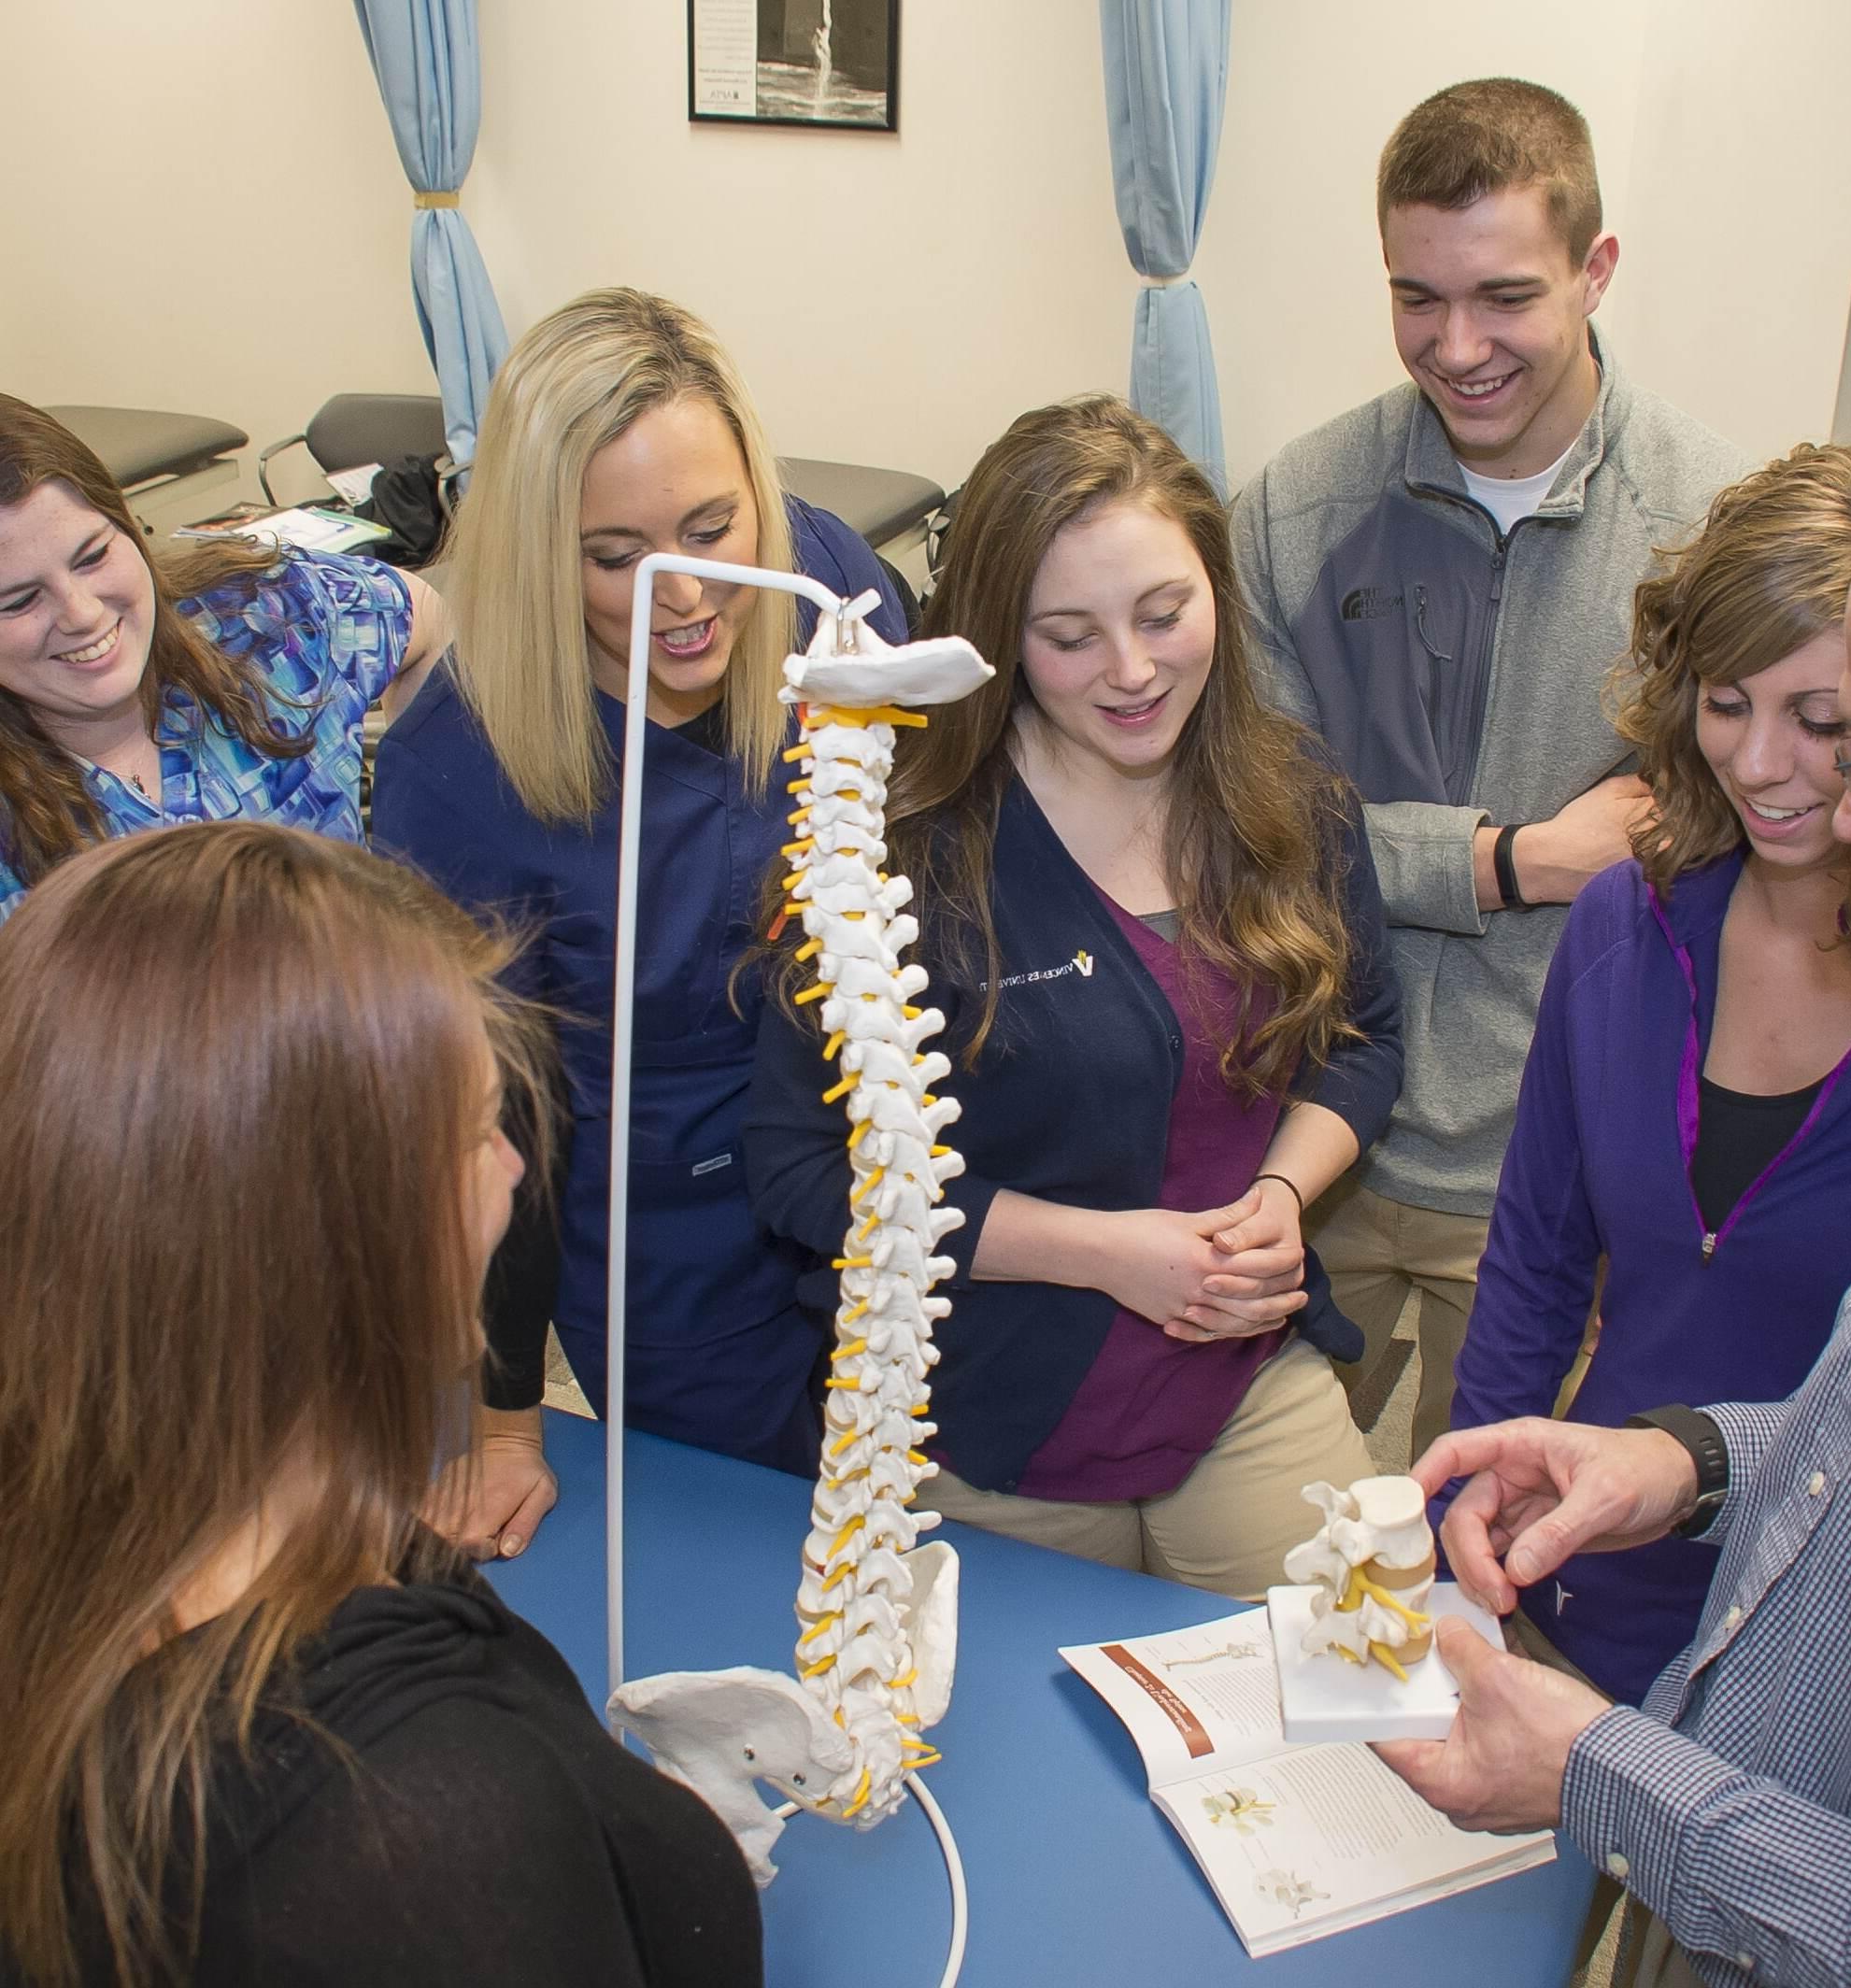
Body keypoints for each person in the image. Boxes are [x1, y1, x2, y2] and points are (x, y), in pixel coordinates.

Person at [1376, 440, 1851, 1988]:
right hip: (1606, 1585)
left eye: (1843, 732)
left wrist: (1610, 1771)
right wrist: (1542, 1514)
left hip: (1808, 1731)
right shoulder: (1629, 925)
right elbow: (1535, 1260)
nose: (1791, 779)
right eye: (1728, 705)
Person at [0, 822, 761, 1988]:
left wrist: (604, 1818)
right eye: (471, 1135)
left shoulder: (102, 1538)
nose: (513, 1169)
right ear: (334, 1246)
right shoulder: (418, 1838)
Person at [748, 395, 1402, 1598]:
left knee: (1350, 1693)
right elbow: (805, 1171)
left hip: (1236, 1366)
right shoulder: (892, 856)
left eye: (1166, 613)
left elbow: (1363, 1040)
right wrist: (1100, 1254)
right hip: (993, 1403)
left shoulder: (1289, 796)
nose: (1135, 670)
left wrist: (1278, 1192)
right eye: (1070, 636)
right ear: (996, 637)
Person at [1232, 78, 1747, 1457]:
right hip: (1307, 1133)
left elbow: (1725, 843)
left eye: (1505, 297)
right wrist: (1514, 860)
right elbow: (1255, 821)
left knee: (1497, 1571)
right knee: (1250, 1565)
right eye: (1417, 298)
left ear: (1597, 270)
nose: (1457, 348)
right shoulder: (1294, 508)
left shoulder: (1709, 530)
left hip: (1556, 1167)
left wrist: (1387, 841)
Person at [374, 290, 908, 1554]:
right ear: (530, 550)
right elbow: (495, 1112)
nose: (691, 592)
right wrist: (507, 1417)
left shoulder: (826, 583)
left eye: (715, 526)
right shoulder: (460, 776)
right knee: (736, 1549)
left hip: (878, 1166)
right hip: (669, 1236)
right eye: (614, 557)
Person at [0, 395, 448, 919]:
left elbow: (424, 616)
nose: (82, 613)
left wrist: (418, 855)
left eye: (94, 555)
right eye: (19, 600)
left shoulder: (273, 620)